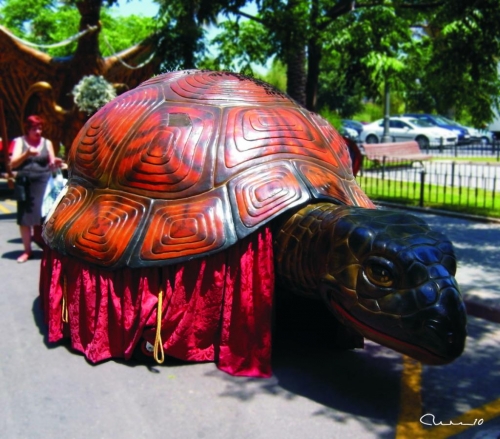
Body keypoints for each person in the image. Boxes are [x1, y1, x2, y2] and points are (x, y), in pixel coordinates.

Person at [10, 115, 61, 263]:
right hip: (25, 183)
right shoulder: (20, 142)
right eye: (34, 129)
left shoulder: (47, 142)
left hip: (43, 184)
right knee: (25, 219)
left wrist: (55, 163)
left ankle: (48, 249)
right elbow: (13, 163)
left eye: (39, 128)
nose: (38, 131)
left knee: (45, 217)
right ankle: (27, 251)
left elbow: (51, 162)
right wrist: (26, 154)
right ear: (28, 129)